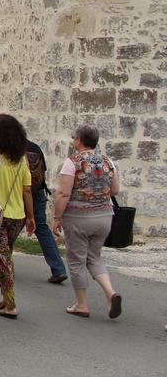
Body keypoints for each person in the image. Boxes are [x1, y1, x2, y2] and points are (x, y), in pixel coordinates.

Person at [54, 124, 123, 319]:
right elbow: (115, 190)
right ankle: (110, 293)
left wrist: (57, 217)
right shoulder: (108, 161)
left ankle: (81, 304)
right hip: (104, 216)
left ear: (80, 140)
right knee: (94, 256)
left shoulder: (73, 162)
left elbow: (64, 193)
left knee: (76, 260)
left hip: (78, 217)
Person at [0, 113, 36, 319]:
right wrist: (31, 216)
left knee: (1, 260)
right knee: (8, 256)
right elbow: (27, 189)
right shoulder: (21, 159)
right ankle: (6, 296)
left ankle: (10, 303)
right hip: (18, 215)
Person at [26, 139, 68, 284]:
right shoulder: (34, 147)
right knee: (42, 229)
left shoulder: (7, 148)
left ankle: (3, 264)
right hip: (38, 192)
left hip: (18, 195)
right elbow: (42, 171)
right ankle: (58, 269)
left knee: (7, 231)